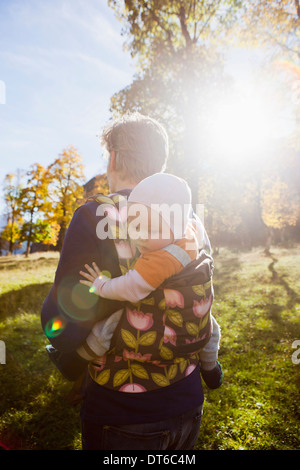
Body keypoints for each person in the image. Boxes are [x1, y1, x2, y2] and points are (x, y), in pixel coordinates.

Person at [41, 112, 222, 451]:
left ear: (113, 156)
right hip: (188, 401)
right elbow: (201, 298)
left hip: (122, 413)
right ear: (160, 163)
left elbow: (62, 329)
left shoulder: (95, 214)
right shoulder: (190, 221)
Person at [78, 173, 221, 377]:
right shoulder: (190, 231)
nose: (139, 236)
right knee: (210, 328)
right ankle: (210, 367)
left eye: (151, 230)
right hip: (197, 307)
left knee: (107, 325)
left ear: (175, 229)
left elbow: (132, 288)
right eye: (135, 226)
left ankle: (76, 361)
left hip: (169, 315)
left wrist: (101, 285)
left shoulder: (160, 259)